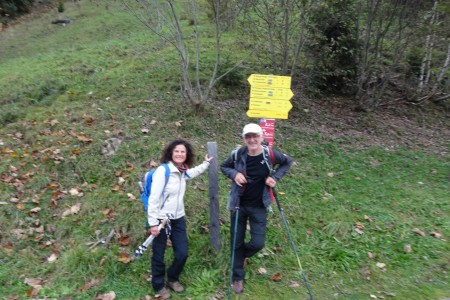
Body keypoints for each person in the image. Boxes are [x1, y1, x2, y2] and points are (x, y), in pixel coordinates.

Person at [221, 123, 293, 294]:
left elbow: (288, 162)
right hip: (238, 203)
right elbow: (225, 167)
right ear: (244, 139)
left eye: (255, 136)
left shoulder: (270, 155)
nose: (252, 140)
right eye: (248, 136)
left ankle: (240, 256)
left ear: (262, 137)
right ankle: (237, 277)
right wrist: (234, 174)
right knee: (236, 240)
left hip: (259, 205)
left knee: (258, 243)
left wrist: (275, 177)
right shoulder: (238, 154)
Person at [148, 139, 213, 299]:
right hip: (161, 220)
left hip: (178, 218)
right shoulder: (163, 171)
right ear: (171, 153)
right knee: (158, 254)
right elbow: (153, 198)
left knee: (182, 253)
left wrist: (205, 164)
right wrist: (153, 223)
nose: (179, 154)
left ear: (186, 155)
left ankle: (172, 278)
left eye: (182, 151)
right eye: (176, 151)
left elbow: (192, 172)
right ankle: (158, 285)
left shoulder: (182, 170)